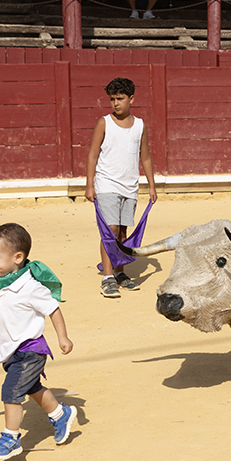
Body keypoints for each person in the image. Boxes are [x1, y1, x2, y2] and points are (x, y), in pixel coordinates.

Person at [0, 223, 76, 460]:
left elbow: (53, 310)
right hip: (11, 351)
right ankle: (61, 415)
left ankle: (10, 438)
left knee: (11, 391)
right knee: (31, 388)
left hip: (31, 349)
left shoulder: (30, 287)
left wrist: (62, 336)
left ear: (17, 257)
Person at [85, 77, 157, 298]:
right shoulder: (104, 122)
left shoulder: (140, 125)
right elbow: (93, 155)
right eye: (112, 99)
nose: (116, 103)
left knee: (124, 231)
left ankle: (120, 272)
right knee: (111, 229)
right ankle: (107, 278)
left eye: (120, 98)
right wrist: (89, 184)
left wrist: (151, 185)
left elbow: (145, 157)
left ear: (131, 99)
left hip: (130, 185)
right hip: (106, 182)